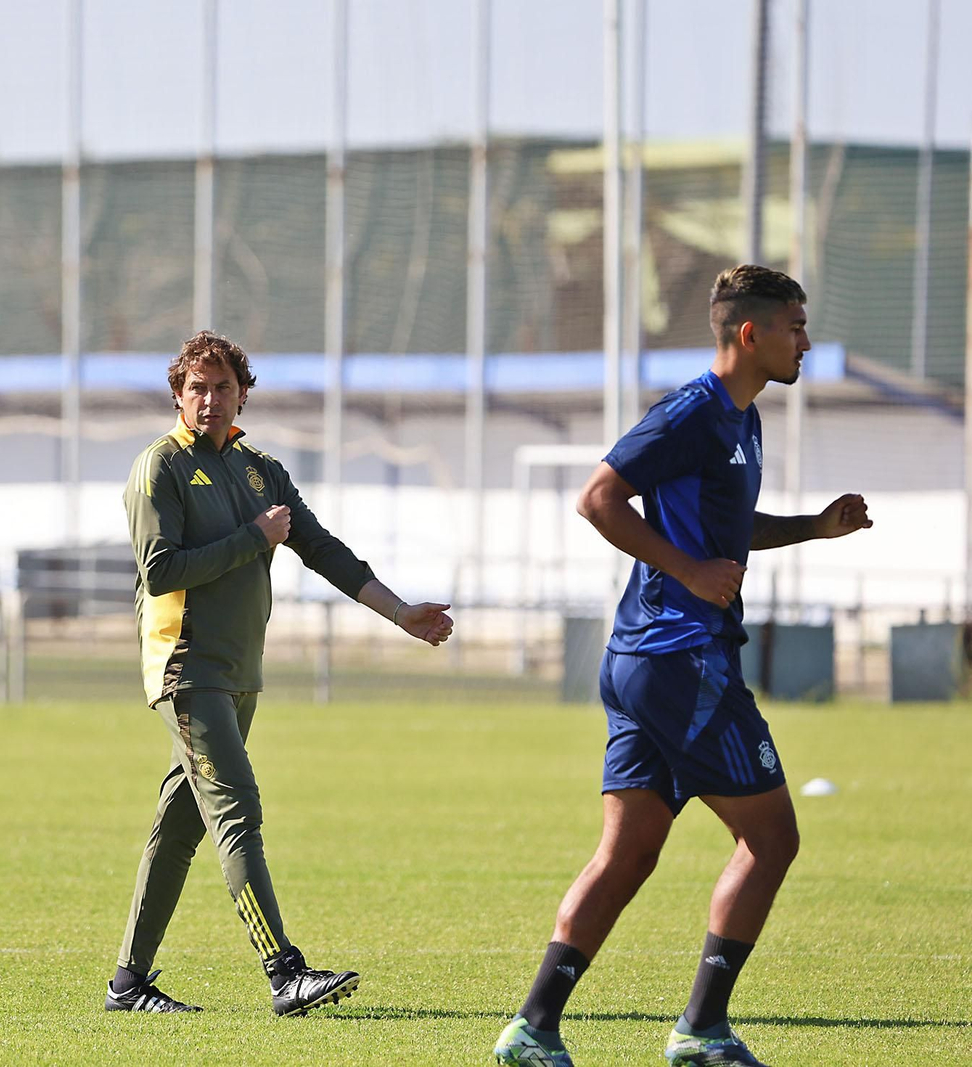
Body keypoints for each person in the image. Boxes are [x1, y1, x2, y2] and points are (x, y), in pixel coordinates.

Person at [493, 265, 873, 1067]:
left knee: (629, 852)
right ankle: (702, 1029)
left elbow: (726, 526)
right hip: (681, 658)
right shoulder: (692, 413)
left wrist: (812, 526)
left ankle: (532, 1028)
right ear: (750, 333)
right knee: (771, 839)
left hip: (649, 659)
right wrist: (691, 573)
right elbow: (598, 497)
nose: (806, 342)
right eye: (795, 327)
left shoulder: (743, 420)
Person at [105, 330, 455, 1016]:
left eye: (223, 387)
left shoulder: (260, 469)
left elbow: (322, 548)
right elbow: (161, 568)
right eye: (198, 387)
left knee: (179, 829)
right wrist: (253, 538)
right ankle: (283, 971)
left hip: (240, 675)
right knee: (237, 809)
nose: (210, 399)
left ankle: (128, 983)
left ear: (243, 395)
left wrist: (400, 612)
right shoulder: (160, 466)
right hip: (186, 670)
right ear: (178, 394)